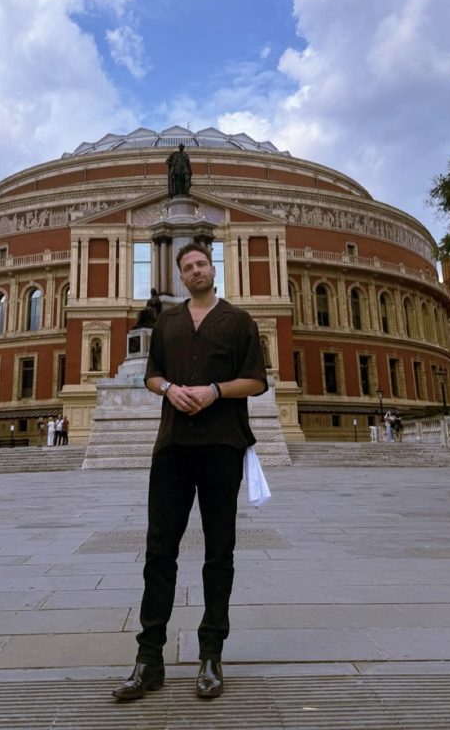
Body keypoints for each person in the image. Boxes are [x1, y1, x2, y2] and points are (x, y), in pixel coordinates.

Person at [112, 241, 267, 702]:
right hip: (173, 446)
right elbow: (152, 374)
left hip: (222, 445)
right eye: (188, 267)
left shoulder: (239, 321)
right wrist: (169, 390)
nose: (195, 271)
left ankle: (210, 656)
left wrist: (215, 391)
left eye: (201, 264)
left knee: (219, 553)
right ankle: (149, 660)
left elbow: (256, 380)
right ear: (181, 276)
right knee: (159, 552)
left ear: (213, 269)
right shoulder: (168, 321)